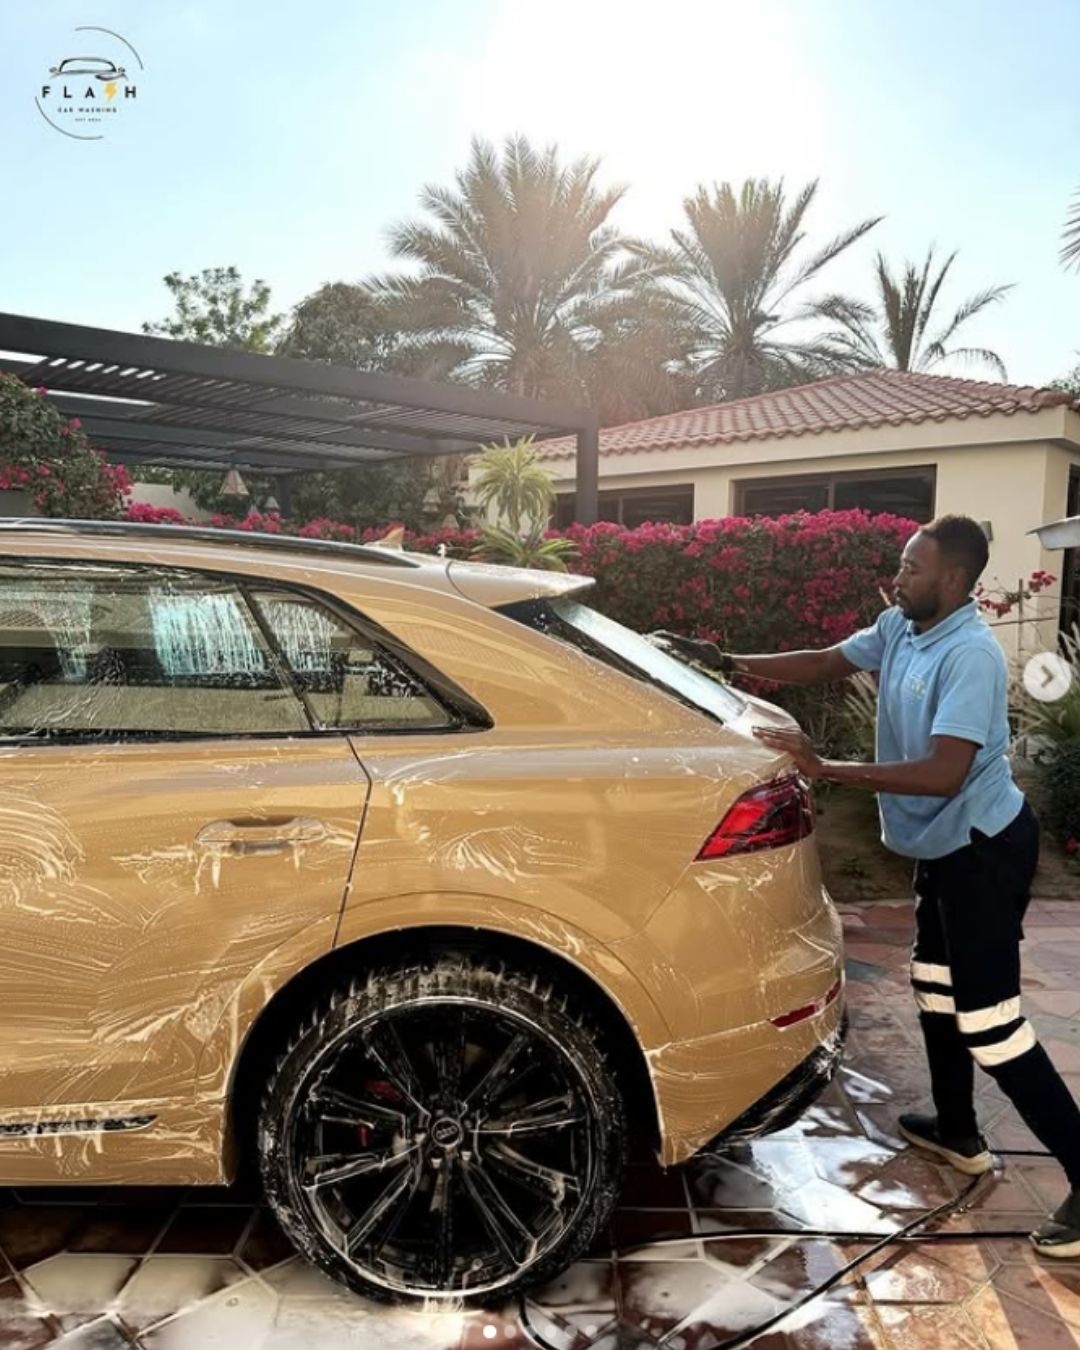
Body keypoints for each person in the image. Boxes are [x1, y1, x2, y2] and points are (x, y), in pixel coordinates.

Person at [654, 514, 1080, 1258]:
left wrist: (825, 769)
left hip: (984, 848)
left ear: (953, 578)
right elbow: (826, 660)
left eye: (913, 567)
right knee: (934, 986)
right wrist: (723, 661)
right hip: (943, 848)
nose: (898, 576)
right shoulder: (901, 627)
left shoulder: (970, 655)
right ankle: (957, 1130)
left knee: (990, 1021)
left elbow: (945, 772)